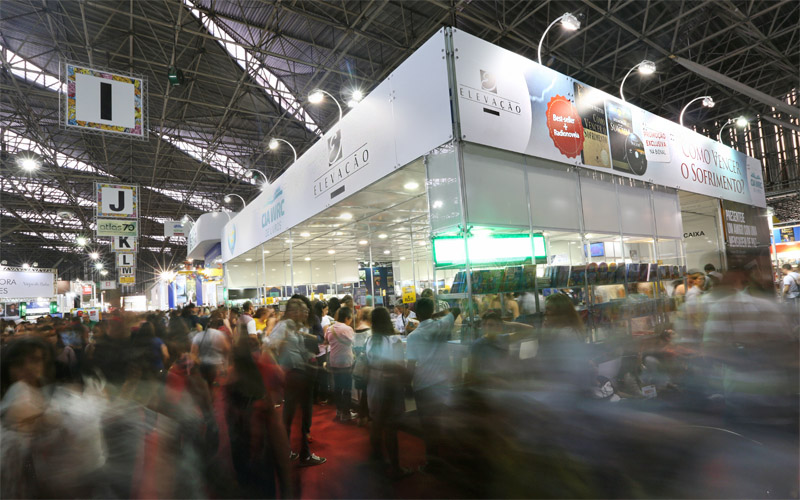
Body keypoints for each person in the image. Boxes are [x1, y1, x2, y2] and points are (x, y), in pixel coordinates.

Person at [269, 298, 326, 466]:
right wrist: (279, 368)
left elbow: (303, 348)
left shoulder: (297, 327)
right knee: (297, 415)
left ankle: (290, 451)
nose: (304, 313)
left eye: (305, 310)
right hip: (293, 374)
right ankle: (302, 454)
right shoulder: (284, 326)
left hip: (301, 373)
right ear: (292, 312)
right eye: (300, 310)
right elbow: (268, 346)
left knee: (298, 415)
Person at [406, 298, 459, 470]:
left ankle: (432, 461)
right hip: (442, 382)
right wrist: (438, 314)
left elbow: (411, 365)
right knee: (440, 420)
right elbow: (456, 310)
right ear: (432, 310)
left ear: (416, 313)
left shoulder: (413, 336)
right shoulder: (442, 324)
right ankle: (443, 457)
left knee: (427, 424)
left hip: (424, 384)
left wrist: (407, 385)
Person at [365, 307, 410, 478]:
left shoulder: (370, 340)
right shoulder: (393, 341)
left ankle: (377, 460)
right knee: (391, 427)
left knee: (376, 423)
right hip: (390, 385)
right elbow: (399, 365)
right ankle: (396, 468)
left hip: (374, 384)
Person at [325, 306, 357, 422]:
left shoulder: (330, 328)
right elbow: (354, 343)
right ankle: (346, 413)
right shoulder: (347, 329)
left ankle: (339, 410)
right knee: (347, 388)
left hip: (334, 361)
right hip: (346, 361)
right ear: (347, 318)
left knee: (337, 387)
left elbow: (326, 341)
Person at [191, 316, 230, 386]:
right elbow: (227, 350)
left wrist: (198, 364)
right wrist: (225, 366)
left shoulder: (198, 336)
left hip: (203, 367)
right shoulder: (220, 334)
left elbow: (193, 354)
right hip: (218, 367)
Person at [353, 307, 373, 425]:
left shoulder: (357, 329)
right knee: (368, 392)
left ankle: (362, 415)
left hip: (358, 364)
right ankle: (366, 415)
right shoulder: (369, 332)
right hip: (367, 365)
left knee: (363, 392)